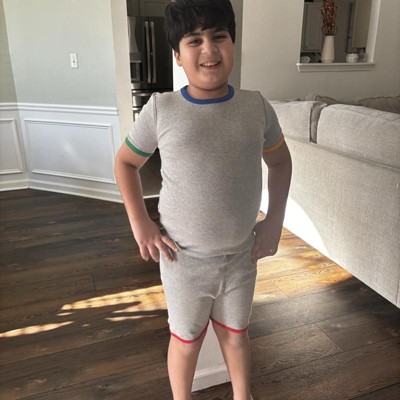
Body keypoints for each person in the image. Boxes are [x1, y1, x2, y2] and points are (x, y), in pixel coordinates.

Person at [114, 1, 292, 399]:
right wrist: (141, 223)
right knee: (186, 340)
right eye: (194, 40)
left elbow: (281, 162)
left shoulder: (256, 106)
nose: (209, 49)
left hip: (241, 257)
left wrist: (275, 220)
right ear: (178, 55)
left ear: (233, 43)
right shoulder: (161, 109)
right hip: (183, 261)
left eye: (219, 36)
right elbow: (125, 163)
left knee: (236, 335)